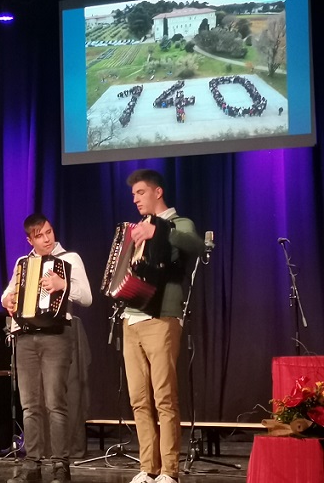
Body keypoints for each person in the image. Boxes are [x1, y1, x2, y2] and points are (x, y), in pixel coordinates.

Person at [122, 170, 204, 483]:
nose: (136, 199)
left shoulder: (179, 223)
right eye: (134, 195)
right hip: (132, 317)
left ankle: (169, 470)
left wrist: (159, 230)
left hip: (163, 316)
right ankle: (148, 467)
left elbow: (195, 246)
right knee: (139, 399)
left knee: (164, 397)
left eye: (140, 192)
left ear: (157, 192)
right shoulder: (136, 229)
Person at [1, 214, 92, 483]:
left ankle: (60, 464)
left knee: (55, 403)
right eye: (40, 235)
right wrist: (8, 299)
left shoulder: (69, 259)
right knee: (30, 405)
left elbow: (86, 297)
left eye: (49, 232)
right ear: (30, 239)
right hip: (26, 337)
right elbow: (6, 294)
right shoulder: (22, 263)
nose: (47, 238)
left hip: (56, 335)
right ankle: (32, 462)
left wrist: (62, 285)